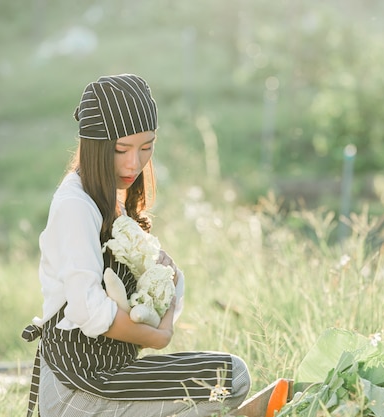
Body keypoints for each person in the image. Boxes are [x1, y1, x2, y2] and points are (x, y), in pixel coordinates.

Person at [21, 74, 252, 417]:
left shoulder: (112, 199)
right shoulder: (75, 204)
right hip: (79, 386)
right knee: (228, 381)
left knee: (228, 378)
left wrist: (162, 280)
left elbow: (169, 279)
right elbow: (88, 310)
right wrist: (156, 337)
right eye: (121, 149)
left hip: (111, 373)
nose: (134, 163)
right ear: (95, 145)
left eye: (147, 147)